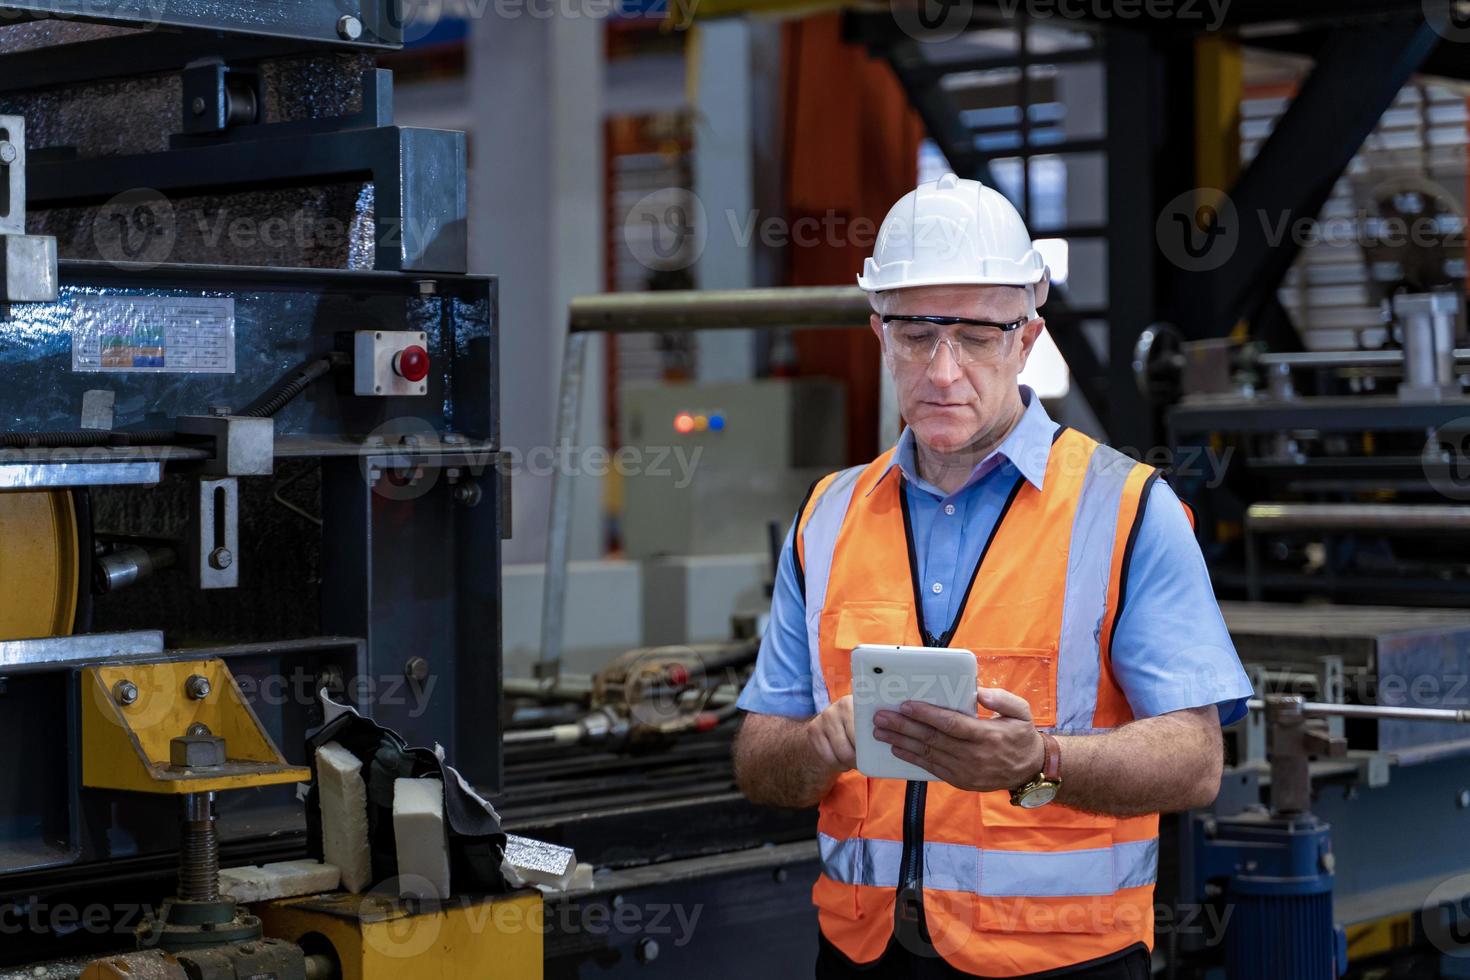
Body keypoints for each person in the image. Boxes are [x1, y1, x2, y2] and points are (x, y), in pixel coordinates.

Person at [732, 173, 1252, 979]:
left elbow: (1195, 761)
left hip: (1062, 961)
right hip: (862, 955)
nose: (942, 371)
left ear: (1026, 339)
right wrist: (820, 745)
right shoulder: (827, 517)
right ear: (878, 335)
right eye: (915, 335)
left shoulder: (1126, 509)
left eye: (975, 336)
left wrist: (1039, 759)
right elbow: (761, 757)